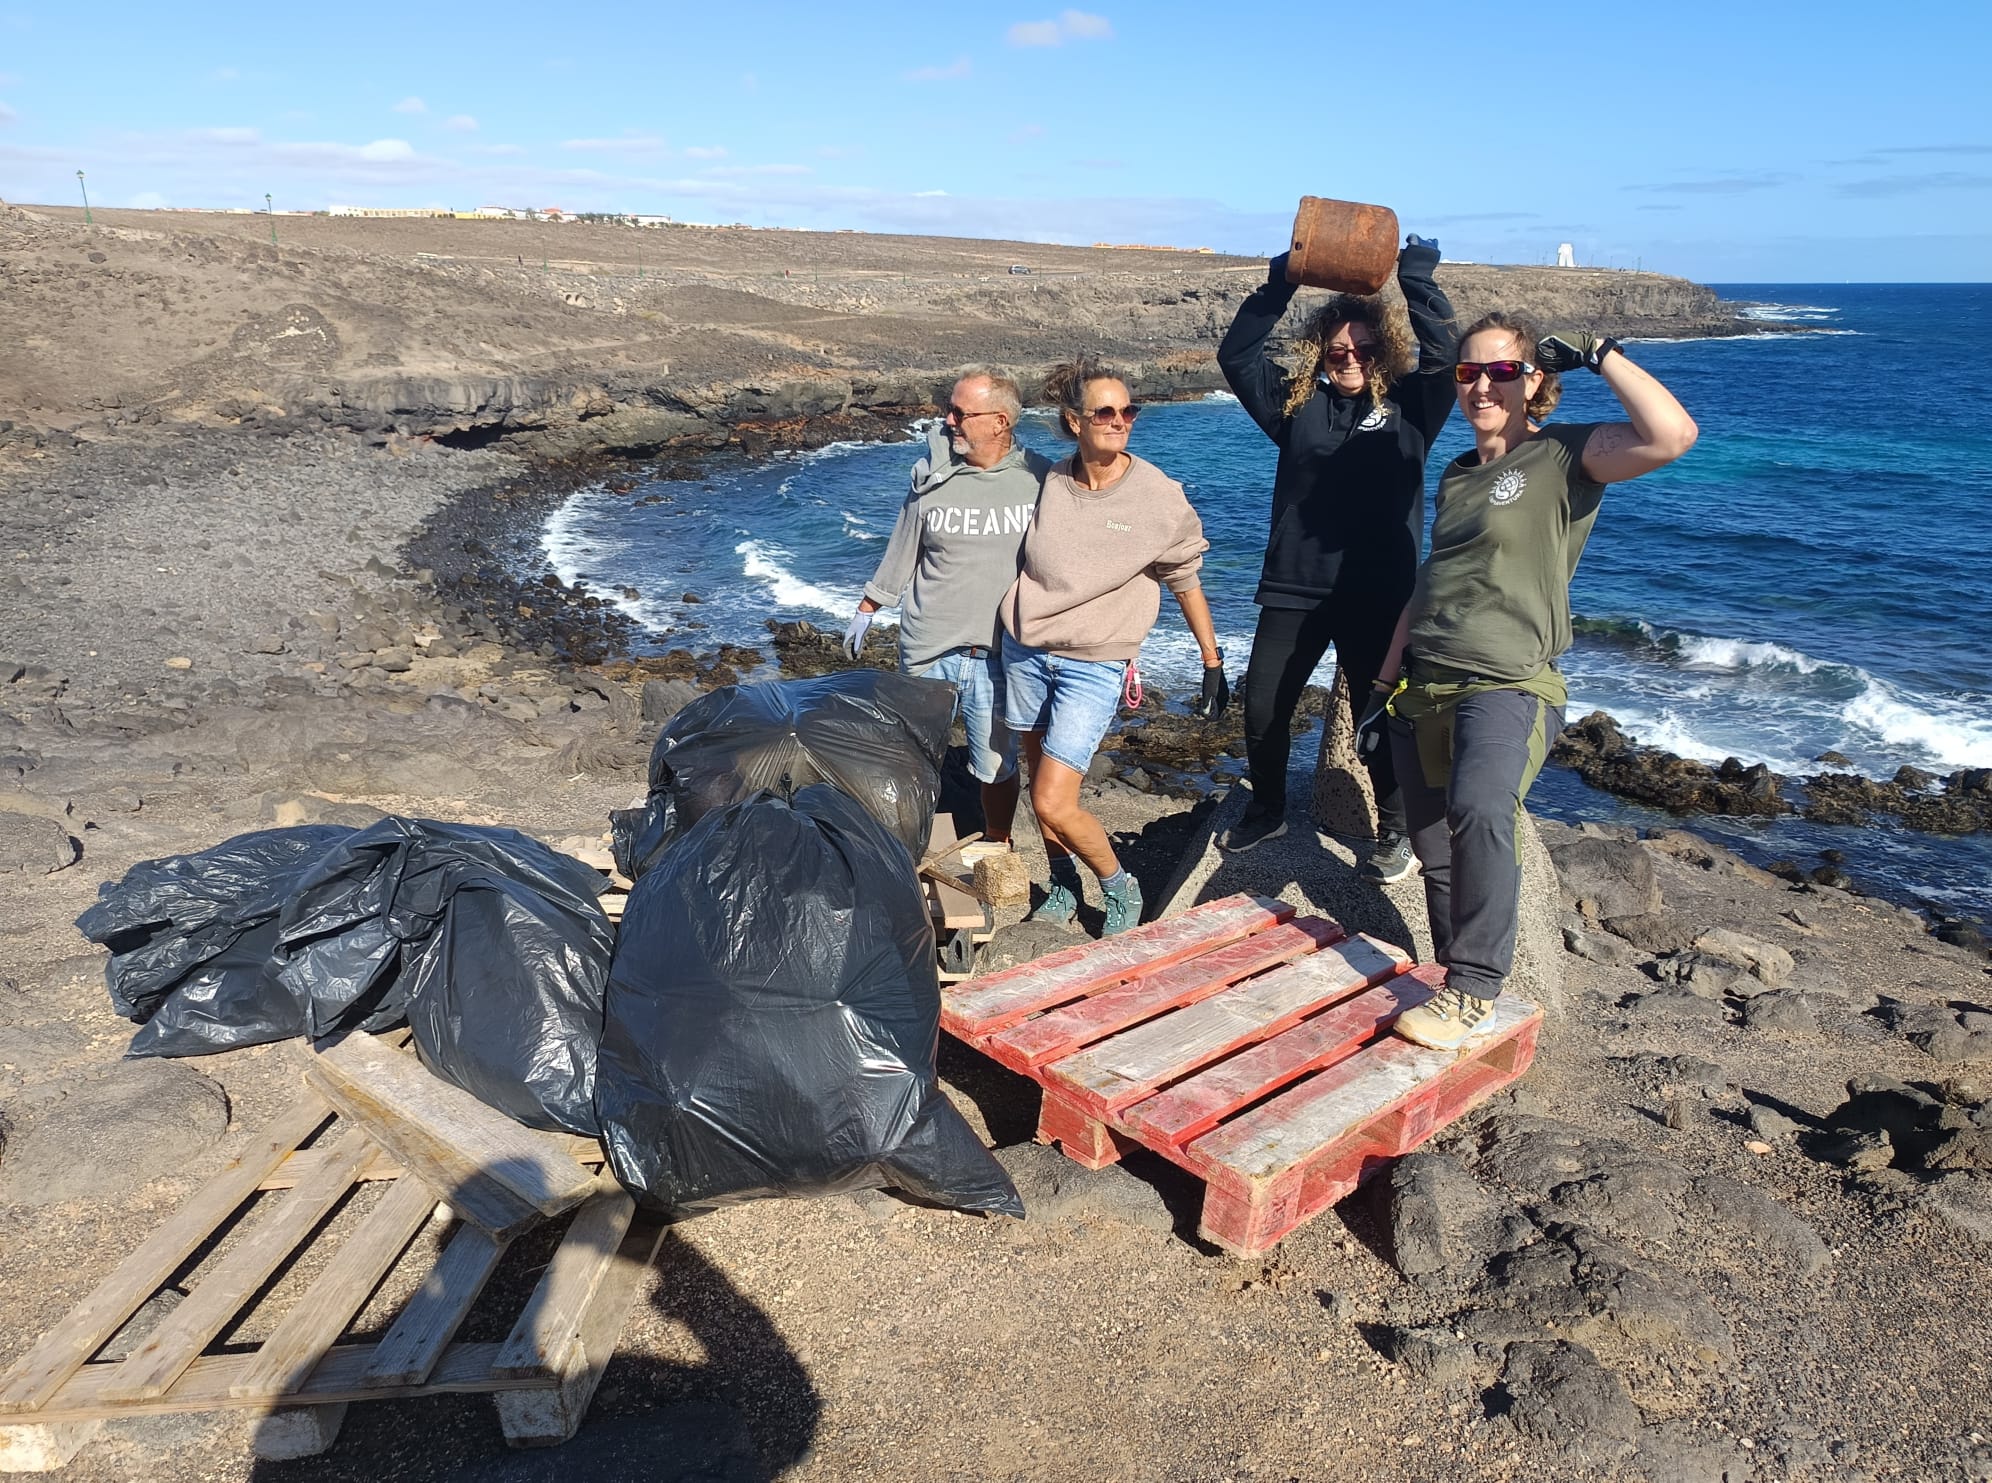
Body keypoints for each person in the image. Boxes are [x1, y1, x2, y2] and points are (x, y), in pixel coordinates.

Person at [1361, 314, 1698, 1050]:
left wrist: (1604, 353)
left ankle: (1475, 990)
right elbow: (1430, 585)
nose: (1483, 384)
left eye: (1502, 371)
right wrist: (1383, 680)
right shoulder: (1455, 474)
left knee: (1482, 808)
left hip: (1508, 684)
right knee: (1432, 843)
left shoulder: (1563, 455)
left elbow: (1673, 435)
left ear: (1534, 380)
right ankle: (1454, 980)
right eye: (1469, 372)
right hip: (1424, 685)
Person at [1215, 235, 1459, 879]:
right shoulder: (1298, 407)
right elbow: (1236, 354)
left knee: (1383, 717)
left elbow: (1448, 356)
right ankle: (1267, 809)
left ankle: (1397, 831)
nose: (1350, 358)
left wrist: (1418, 282)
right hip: (1295, 589)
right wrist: (1281, 280)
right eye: (1338, 349)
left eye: (1365, 349)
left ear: (1384, 351)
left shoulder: (1413, 406)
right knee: (1264, 705)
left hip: (1378, 596)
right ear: (1322, 352)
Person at [999, 358, 1229, 936]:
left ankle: (1118, 884)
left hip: (1095, 663)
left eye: (1129, 410)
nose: (1120, 419)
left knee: (1054, 799)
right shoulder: (1049, 480)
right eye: (1106, 411)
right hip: (1026, 651)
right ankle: (1059, 882)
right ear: (1073, 419)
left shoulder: (1158, 495)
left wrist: (1211, 661)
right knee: (1037, 785)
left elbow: (1186, 577)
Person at [845, 370, 1048, 845]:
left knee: (995, 766)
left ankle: (998, 841)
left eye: (960, 412)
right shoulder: (933, 476)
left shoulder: (1040, 480)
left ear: (1000, 421)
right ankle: (909, 841)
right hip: (927, 648)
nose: (948, 419)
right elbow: (904, 544)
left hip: (996, 654)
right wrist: (869, 604)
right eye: (950, 409)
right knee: (909, 758)